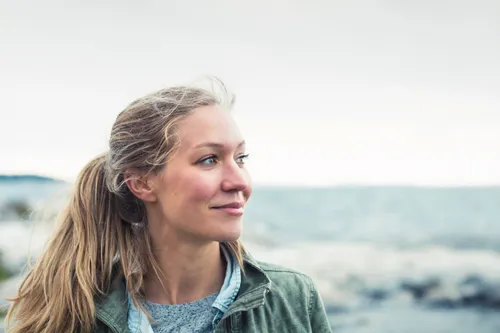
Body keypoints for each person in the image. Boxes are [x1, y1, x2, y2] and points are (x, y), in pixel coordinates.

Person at [6, 78, 332, 333]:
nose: (240, 182)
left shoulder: (293, 298)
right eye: (209, 160)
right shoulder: (76, 314)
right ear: (143, 184)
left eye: (240, 158)